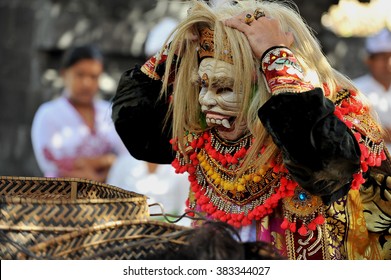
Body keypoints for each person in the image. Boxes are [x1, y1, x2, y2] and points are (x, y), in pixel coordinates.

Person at [112, 0, 391, 260]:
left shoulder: (340, 118)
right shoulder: (205, 134)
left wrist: (274, 55)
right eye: (202, 85)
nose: (206, 100)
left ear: (267, 86)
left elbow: (326, 167)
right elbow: (141, 137)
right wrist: (170, 55)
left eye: (224, 87)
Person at [31, 44, 128, 183]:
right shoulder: (48, 114)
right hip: (60, 197)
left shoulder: (110, 111)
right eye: (80, 74)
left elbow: (127, 157)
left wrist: (99, 174)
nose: (86, 83)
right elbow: (50, 163)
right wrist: (104, 162)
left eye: (93, 77)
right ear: (64, 74)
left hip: (107, 199)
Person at [106, 153, 191, 226]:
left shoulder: (179, 166)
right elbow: (109, 202)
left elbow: (186, 211)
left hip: (170, 232)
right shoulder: (123, 162)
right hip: (128, 231)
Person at [353, 28, 391, 151]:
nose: (388, 63)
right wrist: (379, 133)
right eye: (383, 58)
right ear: (369, 60)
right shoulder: (355, 90)